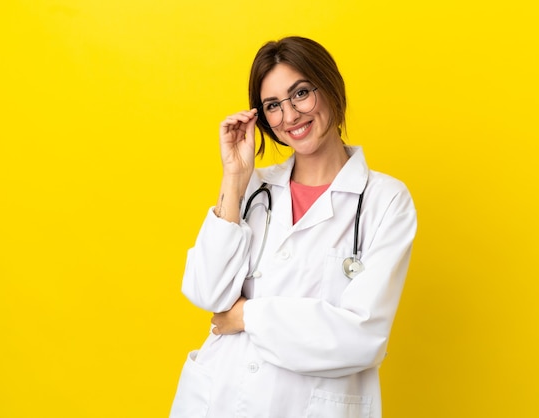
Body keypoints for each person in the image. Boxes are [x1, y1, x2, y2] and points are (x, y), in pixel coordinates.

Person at [170, 36, 417, 418]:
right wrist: (234, 179)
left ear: (332, 87)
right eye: (273, 106)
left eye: (300, 93)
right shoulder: (252, 189)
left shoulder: (385, 201)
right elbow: (206, 291)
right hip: (218, 397)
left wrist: (244, 317)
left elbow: (361, 337)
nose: (289, 116)